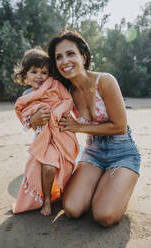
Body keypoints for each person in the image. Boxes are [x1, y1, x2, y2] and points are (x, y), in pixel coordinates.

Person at [30, 30, 141, 226]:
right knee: (72, 209)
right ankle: (101, 183)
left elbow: (120, 126)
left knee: (104, 216)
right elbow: (36, 101)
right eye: (59, 57)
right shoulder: (66, 92)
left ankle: (119, 183)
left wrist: (78, 127)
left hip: (122, 152)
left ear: (84, 56)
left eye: (70, 53)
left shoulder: (105, 80)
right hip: (93, 153)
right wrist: (33, 120)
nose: (65, 61)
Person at [12, 47, 79, 216]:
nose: (39, 77)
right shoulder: (27, 95)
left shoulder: (55, 85)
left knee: (58, 165)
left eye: (44, 72)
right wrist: (33, 120)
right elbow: (25, 119)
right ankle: (47, 199)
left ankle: (62, 192)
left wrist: (56, 112)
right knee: (47, 167)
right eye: (34, 72)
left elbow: (67, 100)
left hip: (62, 133)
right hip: (43, 138)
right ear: (25, 74)